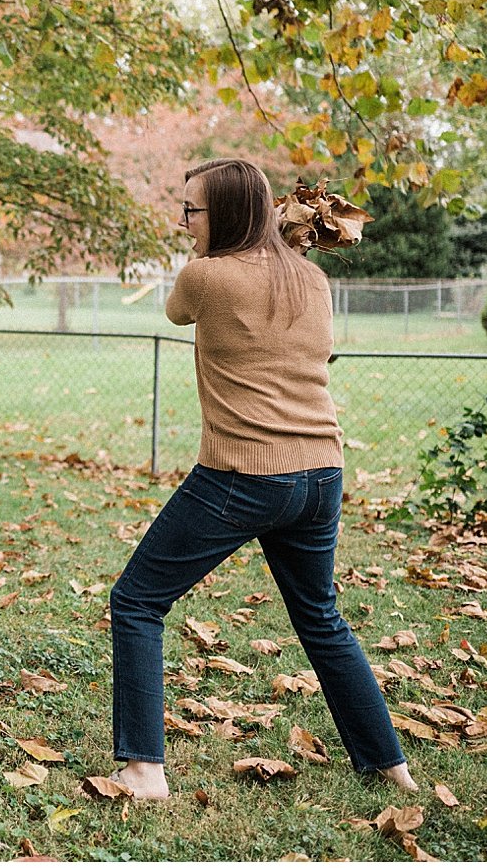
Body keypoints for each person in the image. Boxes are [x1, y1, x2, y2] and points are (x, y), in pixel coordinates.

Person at [108, 159, 418, 799]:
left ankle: (143, 770)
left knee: (136, 601)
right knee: (322, 619)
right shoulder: (312, 277)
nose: (181, 221)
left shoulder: (204, 277)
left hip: (244, 474)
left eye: (190, 210)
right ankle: (391, 766)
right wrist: (274, 240)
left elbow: (174, 311)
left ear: (223, 216)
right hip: (321, 475)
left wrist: (250, 243)